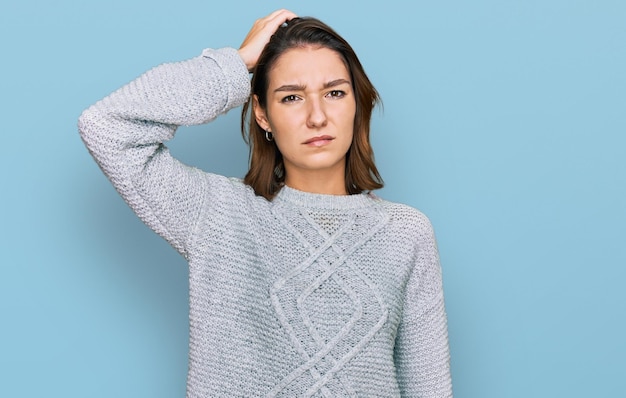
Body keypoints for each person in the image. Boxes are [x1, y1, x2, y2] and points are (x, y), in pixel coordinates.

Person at [79, 9, 452, 397]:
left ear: (357, 104)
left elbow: (429, 389)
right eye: (291, 97)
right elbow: (107, 127)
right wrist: (235, 64)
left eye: (335, 93)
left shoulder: (406, 233)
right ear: (263, 114)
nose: (317, 116)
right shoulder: (216, 212)